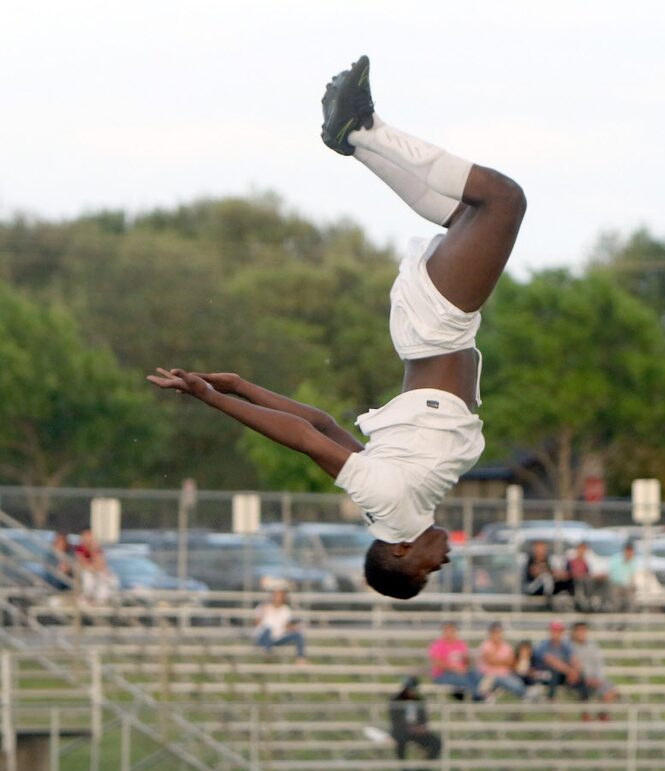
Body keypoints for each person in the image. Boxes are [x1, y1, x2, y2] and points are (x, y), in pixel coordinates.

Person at [147, 55, 526, 602]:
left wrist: (212, 396)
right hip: (441, 331)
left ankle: (364, 128)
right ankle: (354, 140)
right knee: (465, 214)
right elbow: (323, 423)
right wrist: (241, 384)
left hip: (436, 328)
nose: (443, 559)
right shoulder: (402, 504)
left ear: (399, 553)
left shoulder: (390, 505)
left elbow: (305, 439)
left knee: (501, 199)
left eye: (428, 569)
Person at [569, 621, 619, 716]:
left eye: (583, 630)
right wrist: (587, 678)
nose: (581, 633)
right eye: (579, 630)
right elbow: (574, 666)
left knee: (611, 691)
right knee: (583, 692)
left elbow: (599, 663)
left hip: (596, 679)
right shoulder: (570, 647)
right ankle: (587, 719)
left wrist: (598, 678)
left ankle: (602, 717)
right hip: (581, 680)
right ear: (574, 632)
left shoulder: (593, 646)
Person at [388, 676, 441, 765]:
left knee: (436, 743)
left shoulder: (419, 701)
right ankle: (404, 769)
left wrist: (422, 727)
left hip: (417, 731)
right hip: (402, 731)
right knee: (401, 740)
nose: (410, 691)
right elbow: (394, 719)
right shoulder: (395, 700)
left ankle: (423, 769)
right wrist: (409, 727)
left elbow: (424, 718)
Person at [532, 621, 590, 701]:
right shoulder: (543, 645)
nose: (556, 633)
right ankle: (551, 698)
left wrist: (575, 671)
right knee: (554, 670)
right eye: (554, 631)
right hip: (544, 675)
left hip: (562, 675)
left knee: (580, 673)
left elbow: (574, 659)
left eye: (559, 631)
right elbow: (552, 661)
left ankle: (585, 700)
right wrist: (570, 671)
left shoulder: (565, 645)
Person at [428, 621, 484, 701]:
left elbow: (466, 662)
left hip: (461, 672)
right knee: (463, 680)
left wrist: (466, 663)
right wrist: (454, 669)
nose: (449, 633)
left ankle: (477, 695)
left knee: (475, 674)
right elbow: (437, 664)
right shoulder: (438, 645)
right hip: (443, 674)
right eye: (447, 630)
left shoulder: (460, 644)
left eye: (452, 631)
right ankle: (477, 697)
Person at [253, 588, 307, 663]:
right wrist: (262, 612)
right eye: (276, 595)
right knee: (268, 629)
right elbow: (256, 624)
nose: (277, 598)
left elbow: (286, 626)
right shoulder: (263, 607)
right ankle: (267, 652)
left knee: (298, 635)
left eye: (280, 596)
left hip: (278, 638)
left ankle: (300, 659)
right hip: (263, 638)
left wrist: (295, 627)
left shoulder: (285, 609)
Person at [476, 622, 527, 698]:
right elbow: (491, 661)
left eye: (499, 632)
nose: (497, 635)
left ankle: (526, 694)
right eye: (495, 632)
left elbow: (511, 662)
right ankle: (526, 694)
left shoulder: (506, 646)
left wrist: (499, 660)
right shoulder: (486, 645)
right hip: (488, 675)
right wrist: (504, 661)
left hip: (505, 674)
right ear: (490, 633)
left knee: (517, 678)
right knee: (510, 682)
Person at [74, 529, 115, 604]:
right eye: (86, 536)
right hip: (85, 574)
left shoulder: (96, 548)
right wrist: (94, 568)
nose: (88, 539)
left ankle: (102, 600)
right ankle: (88, 599)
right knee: (88, 576)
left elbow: (102, 565)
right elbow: (83, 564)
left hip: (96, 573)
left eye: (90, 536)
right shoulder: (79, 549)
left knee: (108, 576)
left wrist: (93, 549)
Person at [607, 541, 638, 611]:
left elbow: (632, 577)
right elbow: (614, 577)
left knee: (632, 592)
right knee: (615, 592)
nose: (630, 553)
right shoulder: (615, 560)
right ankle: (615, 612)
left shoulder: (633, 562)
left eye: (631, 551)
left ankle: (630, 613)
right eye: (628, 551)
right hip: (616, 585)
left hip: (627, 586)